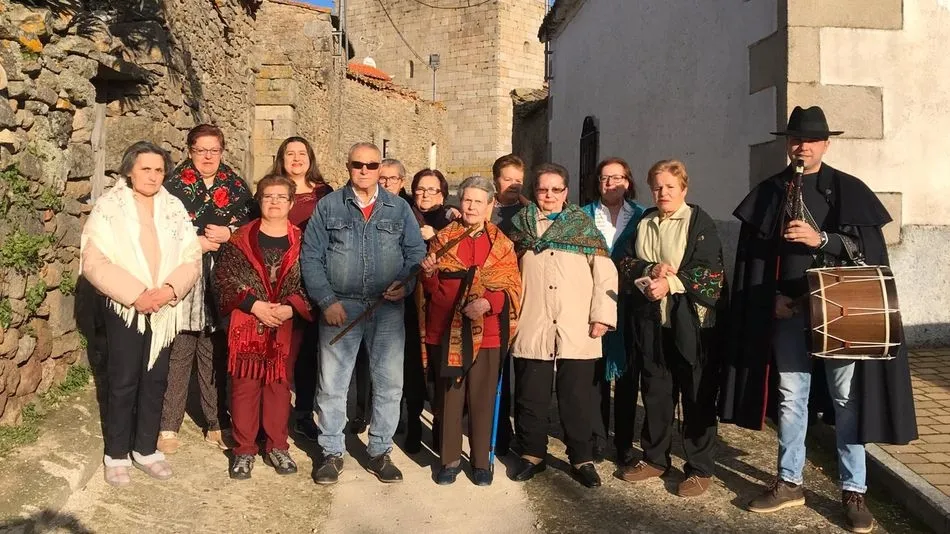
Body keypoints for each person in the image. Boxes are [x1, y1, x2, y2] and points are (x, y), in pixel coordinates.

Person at [719, 106, 917, 532]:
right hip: (788, 314)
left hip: (838, 314)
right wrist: (770, 298)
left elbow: (865, 252)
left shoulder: (848, 189)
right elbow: (754, 261)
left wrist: (821, 238)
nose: (802, 147)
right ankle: (790, 482)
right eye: (795, 139)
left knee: (846, 400)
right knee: (791, 398)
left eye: (811, 140)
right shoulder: (769, 192)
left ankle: (853, 490)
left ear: (826, 144)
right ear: (787, 144)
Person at [301, 142, 427, 485]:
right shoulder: (329, 206)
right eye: (358, 164)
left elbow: (415, 252)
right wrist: (327, 301)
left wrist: (405, 284)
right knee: (332, 385)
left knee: (389, 384)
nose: (364, 170)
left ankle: (380, 451)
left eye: (371, 165)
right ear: (348, 166)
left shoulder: (398, 209)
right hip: (341, 307)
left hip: (387, 308)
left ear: (379, 169)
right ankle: (331, 452)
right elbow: (310, 256)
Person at [81, 141, 202, 486]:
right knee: (123, 379)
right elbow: (94, 261)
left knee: (156, 379)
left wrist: (169, 290)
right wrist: (136, 296)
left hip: (163, 307)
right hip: (125, 307)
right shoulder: (110, 207)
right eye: (145, 169)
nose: (153, 176)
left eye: (159, 170)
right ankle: (117, 453)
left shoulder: (173, 207)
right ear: (130, 171)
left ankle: (145, 449)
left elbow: (191, 256)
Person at [615, 160, 726, 498]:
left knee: (696, 392)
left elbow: (711, 273)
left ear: (684, 189)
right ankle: (655, 458)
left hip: (690, 324)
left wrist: (671, 283)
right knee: (656, 390)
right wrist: (650, 269)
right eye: (657, 187)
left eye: (670, 187)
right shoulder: (645, 221)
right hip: (652, 322)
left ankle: (700, 467)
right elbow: (625, 261)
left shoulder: (699, 222)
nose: (663, 193)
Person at [508, 163, 618, 488]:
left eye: (556, 189)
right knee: (531, 396)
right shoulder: (520, 226)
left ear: (566, 192)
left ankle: (582, 458)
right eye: (543, 189)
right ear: (535, 191)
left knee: (577, 398)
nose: (549, 195)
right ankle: (532, 455)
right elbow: (506, 273)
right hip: (533, 321)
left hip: (577, 324)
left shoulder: (582, 225)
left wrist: (602, 315)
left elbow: (605, 274)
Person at [158, 124, 254, 454]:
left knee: (214, 351)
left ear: (222, 152)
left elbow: (253, 223)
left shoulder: (236, 186)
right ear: (190, 151)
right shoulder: (173, 186)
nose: (208, 157)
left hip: (221, 277)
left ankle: (216, 423)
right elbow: (160, 228)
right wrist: (192, 242)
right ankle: (168, 426)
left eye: (214, 150)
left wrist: (230, 232)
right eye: (201, 150)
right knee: (181, 350)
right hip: (185, 274)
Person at [419, 176, 522, 486]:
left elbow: (511, 287)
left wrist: (488, 303)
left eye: (479, 201)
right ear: (459, 202)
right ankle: (449, 459)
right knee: (449, 399)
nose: (472, 206)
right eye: (467, 200)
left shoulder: (502, 244)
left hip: (487, 332)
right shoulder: (442, 240)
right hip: (446, 330)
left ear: (490, 205)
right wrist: (428, 276)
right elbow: (431, 291)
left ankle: (480, 462)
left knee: (482, 397)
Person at [213, 174, 314, 480]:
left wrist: (289, 307)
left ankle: (277, 445)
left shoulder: (304, 242)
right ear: (259, 200)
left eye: (281, 197)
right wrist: (254, 305)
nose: (274, 202)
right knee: (245, 385)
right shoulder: (240, 239)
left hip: (286, 323)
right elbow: (224, 278)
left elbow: (314, 279)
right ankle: (244, 449)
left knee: (278, 385)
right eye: (268, 196)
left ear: (291, 202)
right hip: (247, 321)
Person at [580, 157, 646, 465]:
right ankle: (597, 437)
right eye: (605, 178)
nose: (611, 183)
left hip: (631, 305)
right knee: (595, 374)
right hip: (592, 301)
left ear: (628, 182)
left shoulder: (643, 216)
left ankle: (623, 444)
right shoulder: (582, 216)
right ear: (598, 183)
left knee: (628, 376)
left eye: (617, 177)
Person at [270, 136, 333, 442]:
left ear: (310, 158)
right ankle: (274, 412)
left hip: (313, 278)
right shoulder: (271, 189)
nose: (296, 159)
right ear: (281, 159)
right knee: (278, 350)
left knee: (308, 352)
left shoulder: (324, 194)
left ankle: (304, 412)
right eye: (290, 153)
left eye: (302, 153)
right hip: (278, 278)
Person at [404, 168, 459, 451]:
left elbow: (459, 254)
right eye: (420, 189)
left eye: (431, 189)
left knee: (439, 368)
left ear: (442, 194)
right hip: (410, 302)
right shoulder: (404, 215)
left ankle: (440, 426)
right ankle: (413, 424)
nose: (425, 195)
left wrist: (435, 235)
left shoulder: (451, 220)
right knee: (412, 367)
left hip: (440, 303)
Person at [487, 153, 529, 455]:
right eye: (507, 179)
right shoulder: (486, 209)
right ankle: (499, 429)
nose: (514, 185)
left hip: (523, 293)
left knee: (523, 364)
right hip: (491, 295)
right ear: (496, 181)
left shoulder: (530, 213)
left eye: (519, 180)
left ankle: (523, 429)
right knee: (495, 365)